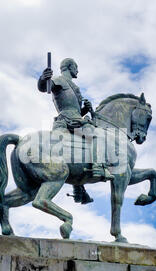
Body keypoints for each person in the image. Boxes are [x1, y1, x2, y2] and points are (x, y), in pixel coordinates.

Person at [37, 58, 114, 204]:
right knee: (96, 134)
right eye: (76, 67)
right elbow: (44, 87)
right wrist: (43, 78)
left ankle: (79, 190)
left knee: (78, 151)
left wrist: (86, 109)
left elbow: (75, 109)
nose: (77, 70)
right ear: (69, 67)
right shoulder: (59, 80)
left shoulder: (72, 85)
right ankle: (98, 168)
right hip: (69, 121)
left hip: (74, 120)